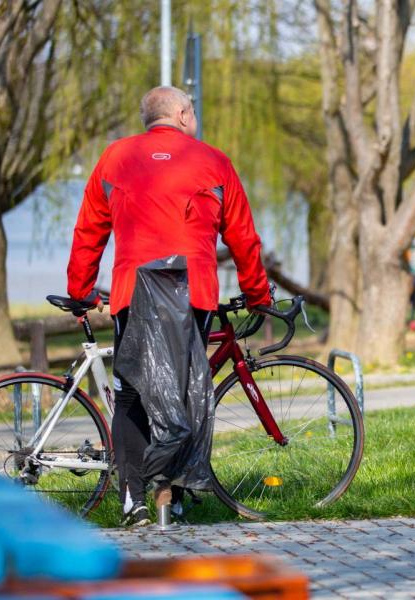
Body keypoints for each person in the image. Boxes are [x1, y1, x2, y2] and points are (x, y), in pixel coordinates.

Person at [66, 86, 272, 527]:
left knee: (134, 395)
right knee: (184, 390)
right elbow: (243, 237)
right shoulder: (214, 162)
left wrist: (81, 288)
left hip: (132, 293)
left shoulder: (115, 158)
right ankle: (172, 498)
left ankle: (133, 501)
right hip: (193, 292)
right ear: (181, 114)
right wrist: (258, 294)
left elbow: (88, 231)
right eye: (192, 113)